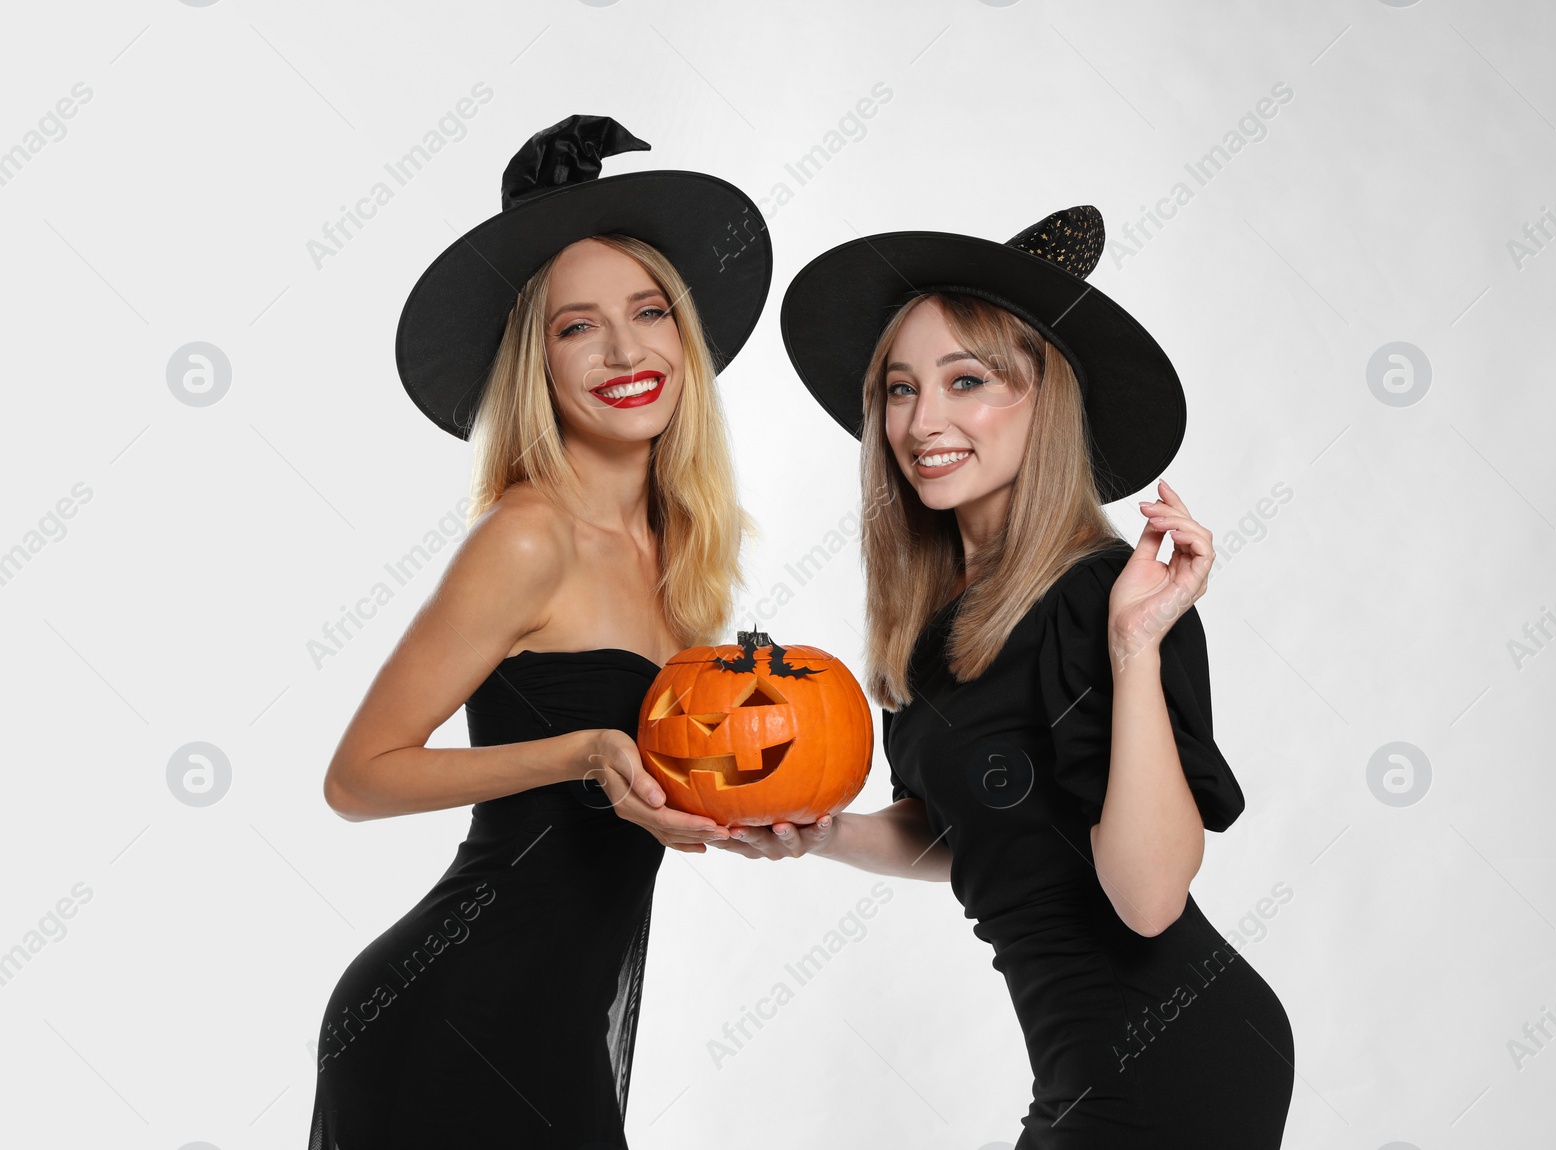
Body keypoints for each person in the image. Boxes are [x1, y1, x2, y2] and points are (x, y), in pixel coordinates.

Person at [720, 207, 1294, 1146]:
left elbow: (1148, 900)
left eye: (967, 381)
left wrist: (1136, 649)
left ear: (1045, 402)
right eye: (900, 389)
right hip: (1080, 1066)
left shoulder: (1107, 598)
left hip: (1176, 1058)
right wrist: (819, 835)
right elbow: (971, 837)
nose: (922, 421)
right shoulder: (933, 624)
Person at [306, 115, 771, 1149]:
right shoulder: (525, 537)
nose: (623, 350)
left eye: (647, 312)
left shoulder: (682, 552)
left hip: (554, 1020)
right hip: (448, 1016)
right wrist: (580, 752)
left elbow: (649, 799)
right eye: (576, 327)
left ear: (682, 337)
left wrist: (754, 810)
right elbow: (357, 776)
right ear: (537, 362)